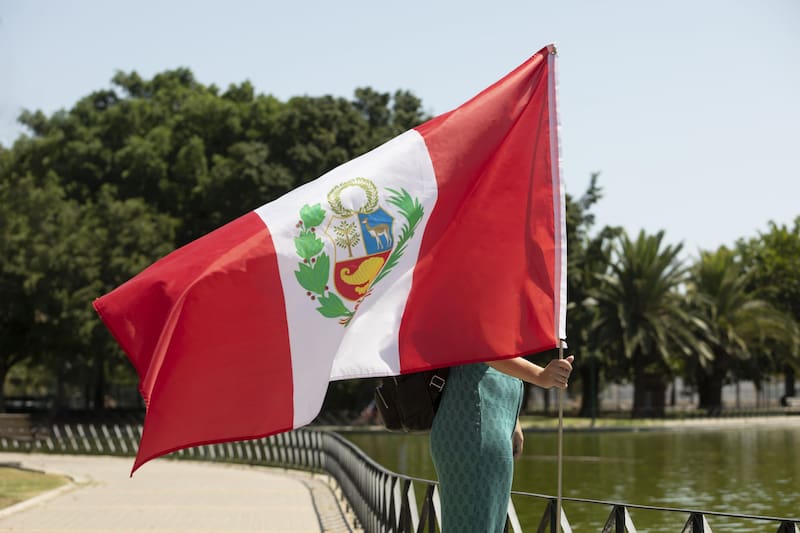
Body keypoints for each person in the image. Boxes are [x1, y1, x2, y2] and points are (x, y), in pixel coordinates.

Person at [429, 355, 574, 533]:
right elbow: (482, 347)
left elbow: (497, 350)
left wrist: (513, 420)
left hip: (487, 423)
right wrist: (539, 375)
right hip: (475, 425)